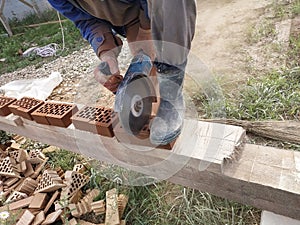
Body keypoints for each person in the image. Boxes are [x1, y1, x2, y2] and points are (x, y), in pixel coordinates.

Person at [47, 0, 196, 145]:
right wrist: (106, 52)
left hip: (156, 4)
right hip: (127, 13)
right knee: (146, 64)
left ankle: (171, 95)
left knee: (163, 35)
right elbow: (85, 20)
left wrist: (146, 29)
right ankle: (153, 112)